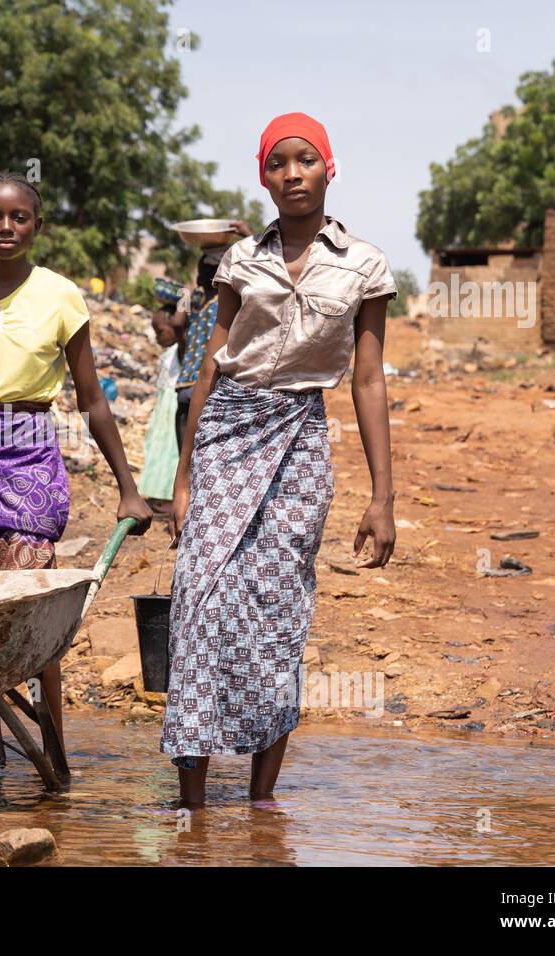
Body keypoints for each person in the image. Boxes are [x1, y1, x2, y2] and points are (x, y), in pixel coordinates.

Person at [163, 112, 398, 805]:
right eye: (277, 163)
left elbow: (369, 379)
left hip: (300, 440)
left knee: (277, 611)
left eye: (306, 160)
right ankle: (193, 805)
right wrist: (182, 478)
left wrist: (383, 498)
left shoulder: (364, 265)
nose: (292, 174)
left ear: (330, 168)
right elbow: (210, 364)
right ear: (263, 175)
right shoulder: (240, 261)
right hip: (226, 431)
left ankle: (262, 799)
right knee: (196, 604)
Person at [0, 171, 153, 766]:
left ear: (37, 226)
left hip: (29, 455)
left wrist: (129, 489)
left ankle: (52, 744)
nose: (6, 227)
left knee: (30, 607)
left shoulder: (59, 294)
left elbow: (92, 397)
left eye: (19, 217)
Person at [172, 221, 252, 451]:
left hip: (185, 385)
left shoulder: (193, 298)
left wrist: (185, 347)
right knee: (207, 456)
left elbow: (177, 322)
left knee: (185, 456)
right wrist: (247, 235)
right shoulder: (229, 303)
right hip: (211, 389)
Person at [135, 301, 182, 509]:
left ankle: (171, 496)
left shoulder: (182, 348)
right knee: (159, 447)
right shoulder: (171, 351)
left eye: (160, 331)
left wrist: (186, 298)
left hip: (173, 403)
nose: (156, 337)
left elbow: (181, 323)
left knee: (172, 450)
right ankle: (160, 493)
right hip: (164, 403)